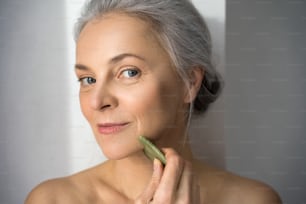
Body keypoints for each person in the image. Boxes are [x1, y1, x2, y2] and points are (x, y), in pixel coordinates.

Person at [25, 0, 282, 203]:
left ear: (189, 82)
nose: (97, 101)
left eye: (129, 72)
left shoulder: (254, 200)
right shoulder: (52, 199)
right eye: (88, 79)